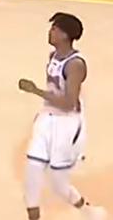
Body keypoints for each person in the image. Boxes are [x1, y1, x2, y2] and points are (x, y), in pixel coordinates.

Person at [17, 13, 108, 220]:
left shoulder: (75, 65)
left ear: (66, 35)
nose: (50, 32)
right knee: (32, 175)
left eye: (55, 29)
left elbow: (68, 103)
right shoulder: (53, 56)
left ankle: (88, 211)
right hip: (47, 119)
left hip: (66, 125)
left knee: (58, 185)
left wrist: (35, 91)